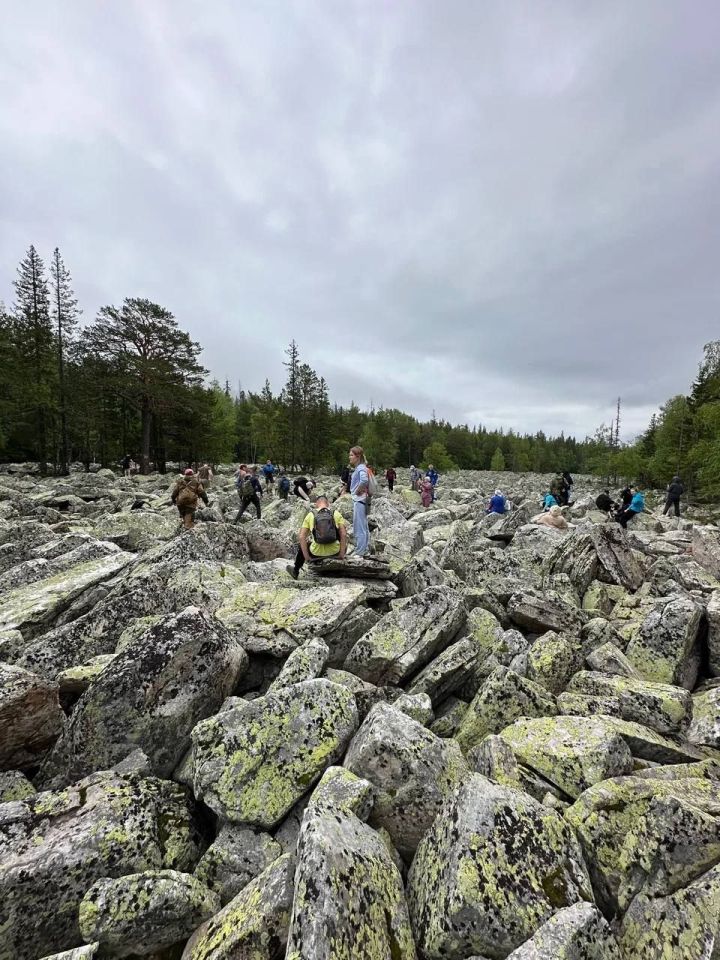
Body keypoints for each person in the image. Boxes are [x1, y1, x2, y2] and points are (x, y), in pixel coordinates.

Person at [287, 495, 347, 579]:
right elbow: (344, 534)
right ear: (328, 504)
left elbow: (301, 537)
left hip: (316, 554)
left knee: (304, 545)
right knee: (343, 542)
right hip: (335, 553)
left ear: (316, 504)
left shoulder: (310, 515)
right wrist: (341, 554)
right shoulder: (336, 513)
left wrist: (307, 557)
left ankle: (295, 571)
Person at [349, 445, 370, 556]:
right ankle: (365, 549)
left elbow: (364, 480)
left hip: (359, 500)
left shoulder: (361, 467)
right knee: (364, 525)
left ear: (358, 456)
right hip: (364, 499)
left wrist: (357, 491)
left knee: (359, 526)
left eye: (351, 455)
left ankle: (360, 552)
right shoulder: (362, 467)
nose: (350, 457)